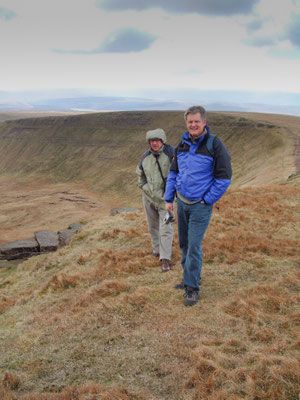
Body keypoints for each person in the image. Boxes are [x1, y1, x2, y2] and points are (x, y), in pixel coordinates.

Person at [165, 106, 232, 306]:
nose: (193, 125)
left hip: (199, 207)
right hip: (182, 203)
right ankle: (190, 277)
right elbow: (173, 173)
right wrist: (169, 200)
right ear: (187, 124)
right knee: (184, 244)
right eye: (190, 122)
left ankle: (192, 288)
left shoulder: (215, 145)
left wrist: (207, 200)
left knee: (194, 246)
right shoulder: (182, 144)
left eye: (196, 121)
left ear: (204, 122)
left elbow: (224, 178)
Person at [136, 128, 175, 272]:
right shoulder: (145, 157)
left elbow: (178, 175)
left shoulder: (171, 155)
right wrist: (146, 190)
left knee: (166, 229)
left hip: (166, 201)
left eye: (157, 140)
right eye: (152, 141)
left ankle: (165, 259)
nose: (155, 143)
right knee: (153, 226)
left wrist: (170, 196)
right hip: (149, 199)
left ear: (162, 141)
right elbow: (140, 178)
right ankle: (157, 250)